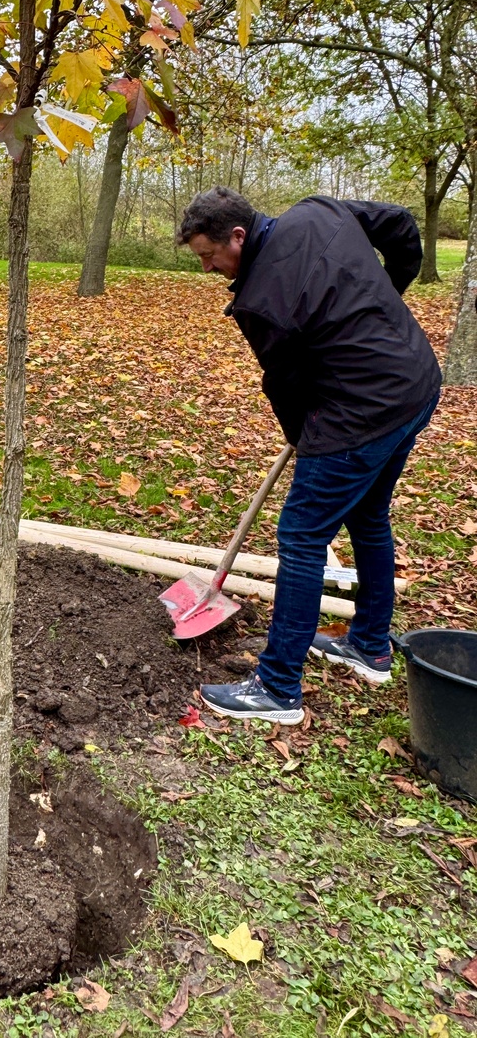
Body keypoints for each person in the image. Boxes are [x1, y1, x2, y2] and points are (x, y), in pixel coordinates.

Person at [177, 187, 441, 724]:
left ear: (237, 236)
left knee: (301, 535)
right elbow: (399, 226)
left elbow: (288, 385)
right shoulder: (319, 210)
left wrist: (305, 439)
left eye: (209, 255)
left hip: (362, 410)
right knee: (368, 516)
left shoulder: (259, 298)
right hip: (416, 380)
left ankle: (277, 689)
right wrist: (391, 296)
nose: (207, 268)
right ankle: (369, 646)